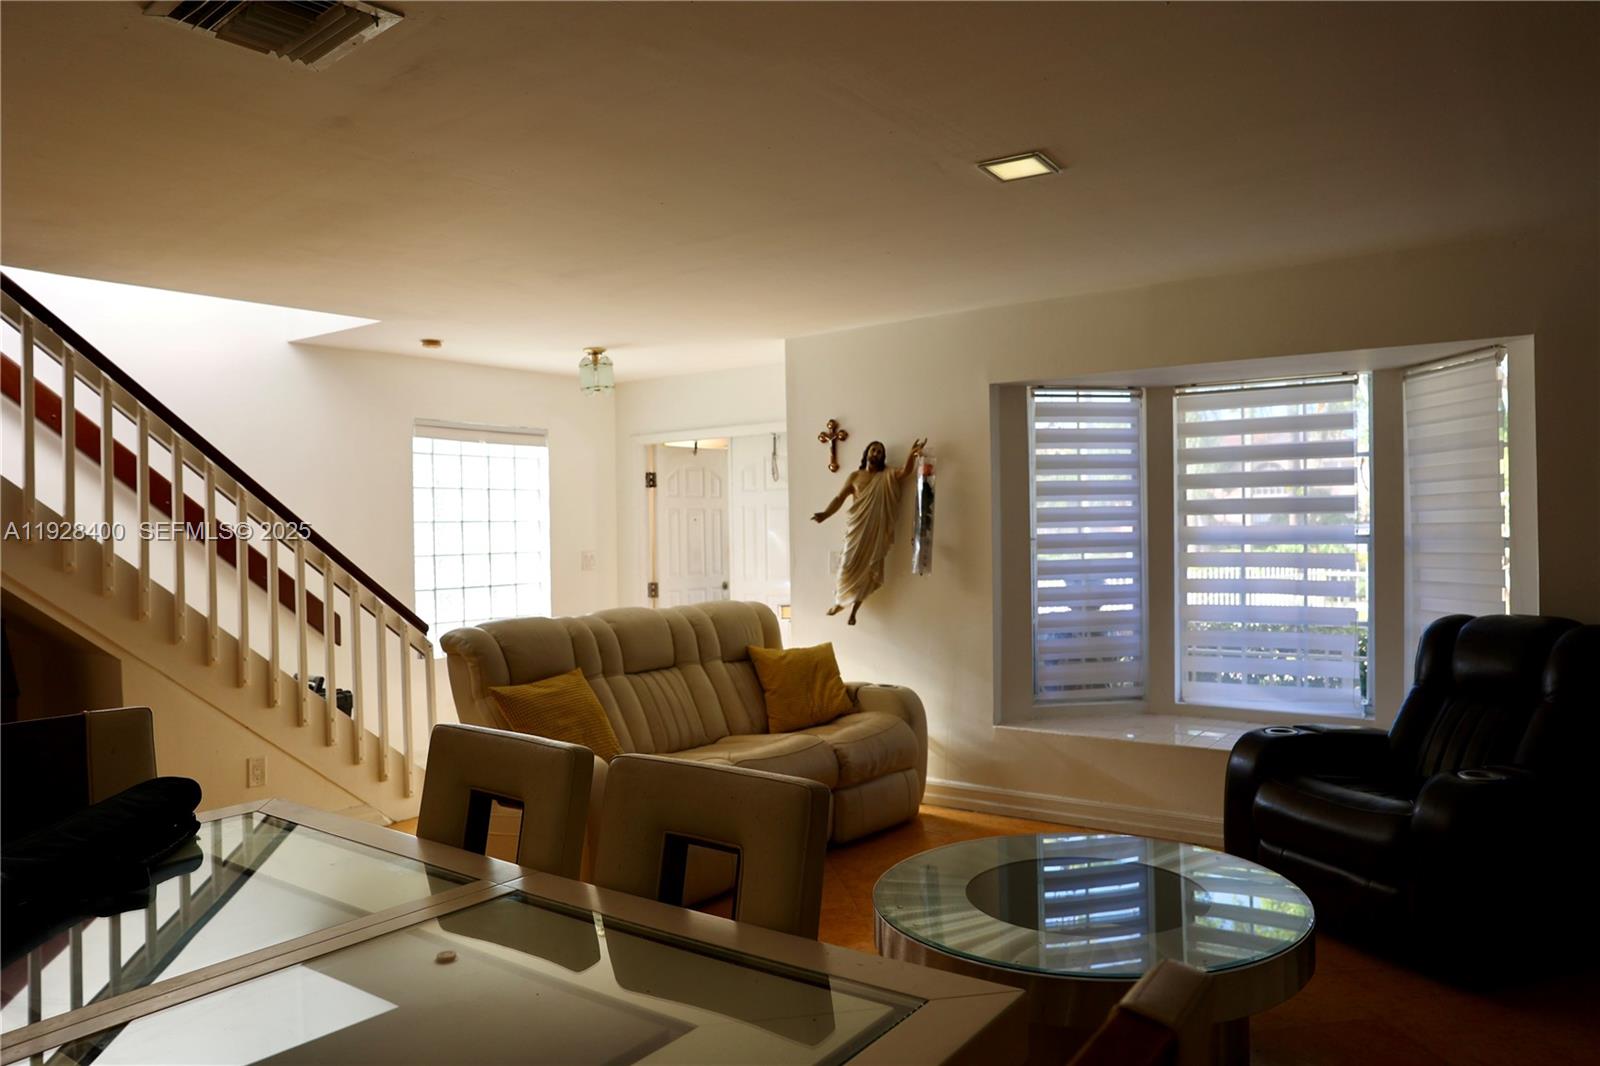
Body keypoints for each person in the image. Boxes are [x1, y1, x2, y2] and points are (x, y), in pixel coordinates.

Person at [811, 438, 926, 625]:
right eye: (874, 450)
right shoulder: (855, 476)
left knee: (870, 566)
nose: (876, 454)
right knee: (847, 564)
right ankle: (840, 601)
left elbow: (905, 471)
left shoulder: (887, 475)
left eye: (880, 452)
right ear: (867, 453)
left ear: (883, 457)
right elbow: (840, 498)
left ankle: (854, 610)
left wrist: (911, 454)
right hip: (856, 528)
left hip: (876, 529)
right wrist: (825, 514)